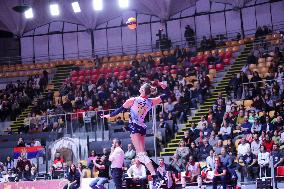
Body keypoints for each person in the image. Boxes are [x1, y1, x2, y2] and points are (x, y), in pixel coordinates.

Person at [101, 81, 169, 189]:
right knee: (142, 156)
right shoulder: (151, 101)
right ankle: (160, 172)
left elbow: (120, 110)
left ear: (142, 90)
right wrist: (163, 86)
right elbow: (166, 95)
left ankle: (156, 176)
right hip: (142, 127)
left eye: (141, 87)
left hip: (135, 127)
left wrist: (109, 115)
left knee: (141, 155)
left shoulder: (133, 100)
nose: (139, 87)